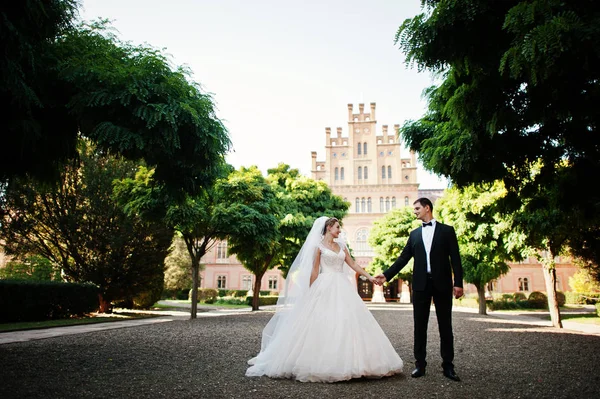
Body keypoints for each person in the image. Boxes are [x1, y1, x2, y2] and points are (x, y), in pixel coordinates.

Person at [246, 216, 403, 382]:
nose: (340, 230)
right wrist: (309, 291)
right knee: (321, 321)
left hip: (342, 286)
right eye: (337, 227)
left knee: (346, 320)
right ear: (328, 228)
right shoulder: (318, 247)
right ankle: (318, 361)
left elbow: (354, 265)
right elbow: (315, 271)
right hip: (324, 285)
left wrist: (370, 277)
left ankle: (354, 361)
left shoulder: (342, 246)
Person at [374, 197, 463, 382]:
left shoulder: (447, 231)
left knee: (445, 326)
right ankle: (419, 366)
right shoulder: (414, 234)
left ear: (427, 208)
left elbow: (456, 258)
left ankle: (448, 367)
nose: (414, 211)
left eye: (417, 208)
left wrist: (458, 283)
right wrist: (386, 275)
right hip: (421, 285)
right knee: (419, 326)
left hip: (442, 284)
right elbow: (403, 258)